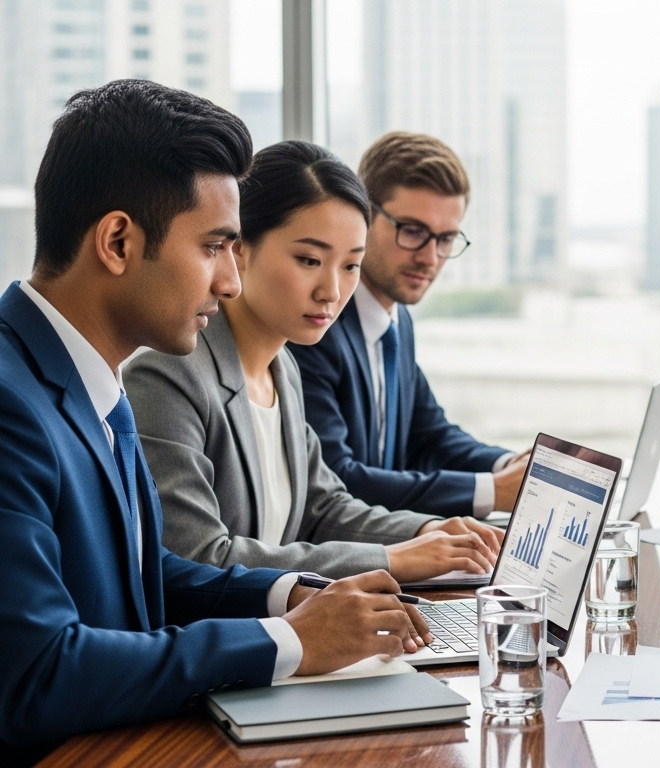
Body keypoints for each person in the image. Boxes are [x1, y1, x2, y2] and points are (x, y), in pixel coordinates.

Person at [0, 80, 430, 759]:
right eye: (214, 247)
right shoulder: (10, 402)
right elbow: (38, 671)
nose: (231, 281)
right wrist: (288, 644)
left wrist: (294, 597)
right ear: (117, 241)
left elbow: (146, 578)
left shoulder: (89, 378)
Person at [126, 141, 502, 583]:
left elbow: (324, 507)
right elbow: (200, 556)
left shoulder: (282, 369)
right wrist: (391, 559)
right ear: (240, 248)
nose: (332, 290)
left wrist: (429, 532)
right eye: (309, 260)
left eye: (350, 266)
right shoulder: (169, 375)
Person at [287, 132, 527, 520]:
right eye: (413, 231)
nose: (430, 258)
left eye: (446, 238)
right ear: (363, 215)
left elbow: (429, 434)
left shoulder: (396, 322)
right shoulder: (315, 324)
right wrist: (493, 491)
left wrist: (511, 466)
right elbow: (337, 479)